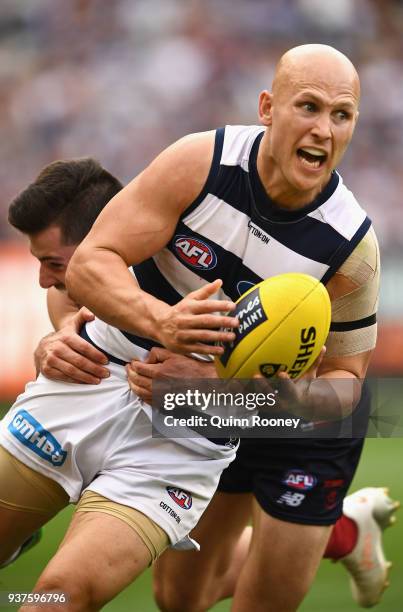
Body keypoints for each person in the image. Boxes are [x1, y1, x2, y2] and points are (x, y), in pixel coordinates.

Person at [61, 43, 398, 612]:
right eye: (308, 107)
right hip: (207, 403)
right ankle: (345, 532)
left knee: (264, 603)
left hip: (302, 420)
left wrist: (220, 392)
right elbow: (88, 264)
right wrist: (62, 330)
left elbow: (344, 385)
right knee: (178, 597)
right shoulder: (201, 163)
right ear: (268, 107)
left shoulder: (352, 246)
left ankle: (321, 530)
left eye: (341, 115)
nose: (323, 128)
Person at [1, 158, 239, 612]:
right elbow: (64, 288)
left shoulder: (284, 269)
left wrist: (215, 389)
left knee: (163, 596)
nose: (43, 278)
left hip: (184, 445)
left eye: (52, 262)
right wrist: (65, 327)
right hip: (79, 395)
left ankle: (337, 527)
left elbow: (333, 408)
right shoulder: (131, 233)